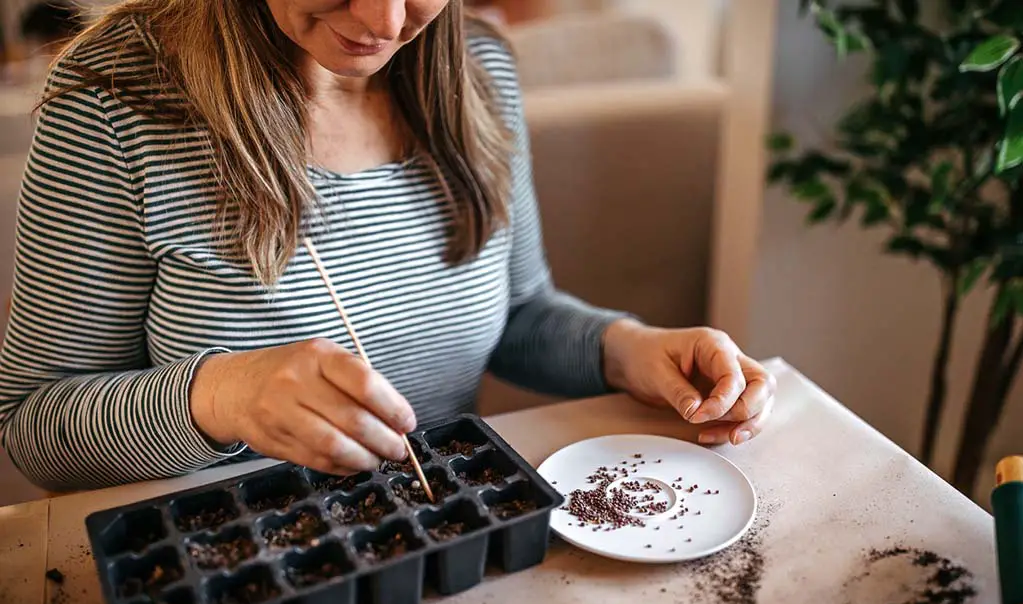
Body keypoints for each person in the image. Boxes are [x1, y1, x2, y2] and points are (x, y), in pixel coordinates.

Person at [0, 0, 776, 492]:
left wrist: (628, 350)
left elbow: (519, 313)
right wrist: (221, 398)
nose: (383, 21)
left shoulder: (481, 71)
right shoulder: (110, 99)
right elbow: (34, 428)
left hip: (440, 535)